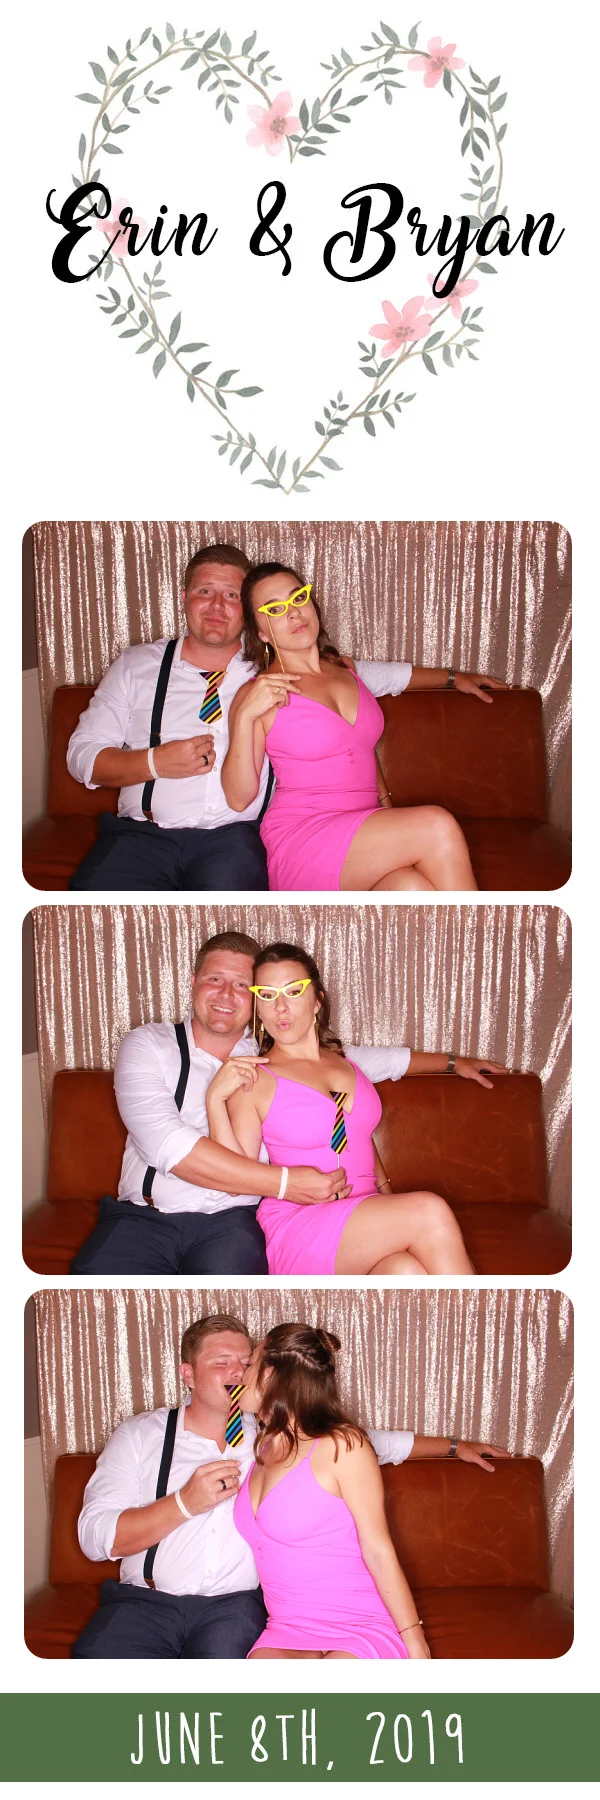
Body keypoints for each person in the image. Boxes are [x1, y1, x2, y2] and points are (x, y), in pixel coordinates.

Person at [73, 1313, 509, 1659]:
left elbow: (371, 1444)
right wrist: (184, 1503)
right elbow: (94, 1538)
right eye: (222, 1362)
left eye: (247, 1361)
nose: (238, 1371)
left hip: (235, 1610)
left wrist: (455, 1446)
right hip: (147, 1603)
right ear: (188, 1374)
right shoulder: (143, 1435)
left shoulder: (274, 1434)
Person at [66, 542, 419, 892]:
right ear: (185, 597)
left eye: (232, 595)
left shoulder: (278, 665)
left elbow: (367, 679)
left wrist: (447, 677)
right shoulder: (136, 665)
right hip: (141, 836)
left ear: (249, 616)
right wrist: (155, 762)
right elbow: (82, 756)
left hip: (233, 840)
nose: (217, 606)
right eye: (205, 591)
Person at [69, 929, 400, 1278]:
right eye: (215, 979)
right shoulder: (148, 1045)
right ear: (194, 982)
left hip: (232, 1222)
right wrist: (286, 1183)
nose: (226, 994)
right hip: (146, 1217)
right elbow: (167, 1144)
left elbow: (351, 1063)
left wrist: (444, 1062)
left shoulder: (273, 1052)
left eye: (242, 985)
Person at [206, 942, 509, 1277]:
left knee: (406, 1272)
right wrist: (214, 1100)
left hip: (364, 1216)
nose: (280, 1007)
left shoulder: (348, 1062)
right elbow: (233, 1178)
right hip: (302, 1222)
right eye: (266, 995)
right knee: (430, 1210)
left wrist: (455, 1063)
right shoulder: (255, 1078)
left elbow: (361, 1129)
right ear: (258, 1010)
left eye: (293, 991)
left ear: (317, 1000)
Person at [222, 562, 508, 891]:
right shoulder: (259, 692)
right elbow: (239, 798)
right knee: (437, 826)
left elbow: (386, 698)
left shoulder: (346, 668)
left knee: (412, 888)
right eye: (275, 609)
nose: (293, 612)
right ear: (260, 632)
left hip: (364, 827)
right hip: (305, 836)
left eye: (298, 598)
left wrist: (456, 679)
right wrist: (244, 717)